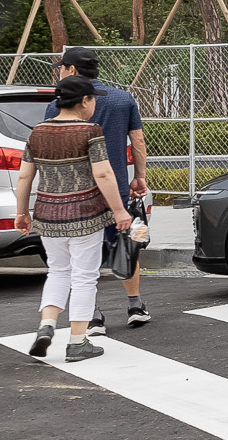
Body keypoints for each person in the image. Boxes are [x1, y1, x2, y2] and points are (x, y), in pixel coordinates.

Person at [14, 75, 132, 362]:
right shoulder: (90, 131)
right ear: (83, 101)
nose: (94, 103)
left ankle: (47, 326)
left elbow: (24, 175)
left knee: (57, 271)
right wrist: (119, 210)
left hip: (47, 215)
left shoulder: (37, 132)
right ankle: (77, 342)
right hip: (85, 215)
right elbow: (103, 174)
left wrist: (21, 212)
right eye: (92, 98)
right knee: (84, 277)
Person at [45, 48, 152, 332]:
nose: (60, 72)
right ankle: (135, 304)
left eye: (63, 68)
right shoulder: (122, 98)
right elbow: (138, 141)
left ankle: (92, 315)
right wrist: (139, 177)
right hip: (116, 187)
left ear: (72, 71)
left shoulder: (60, 103)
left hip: (78, 194)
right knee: (126, 245)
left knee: (82, 257)